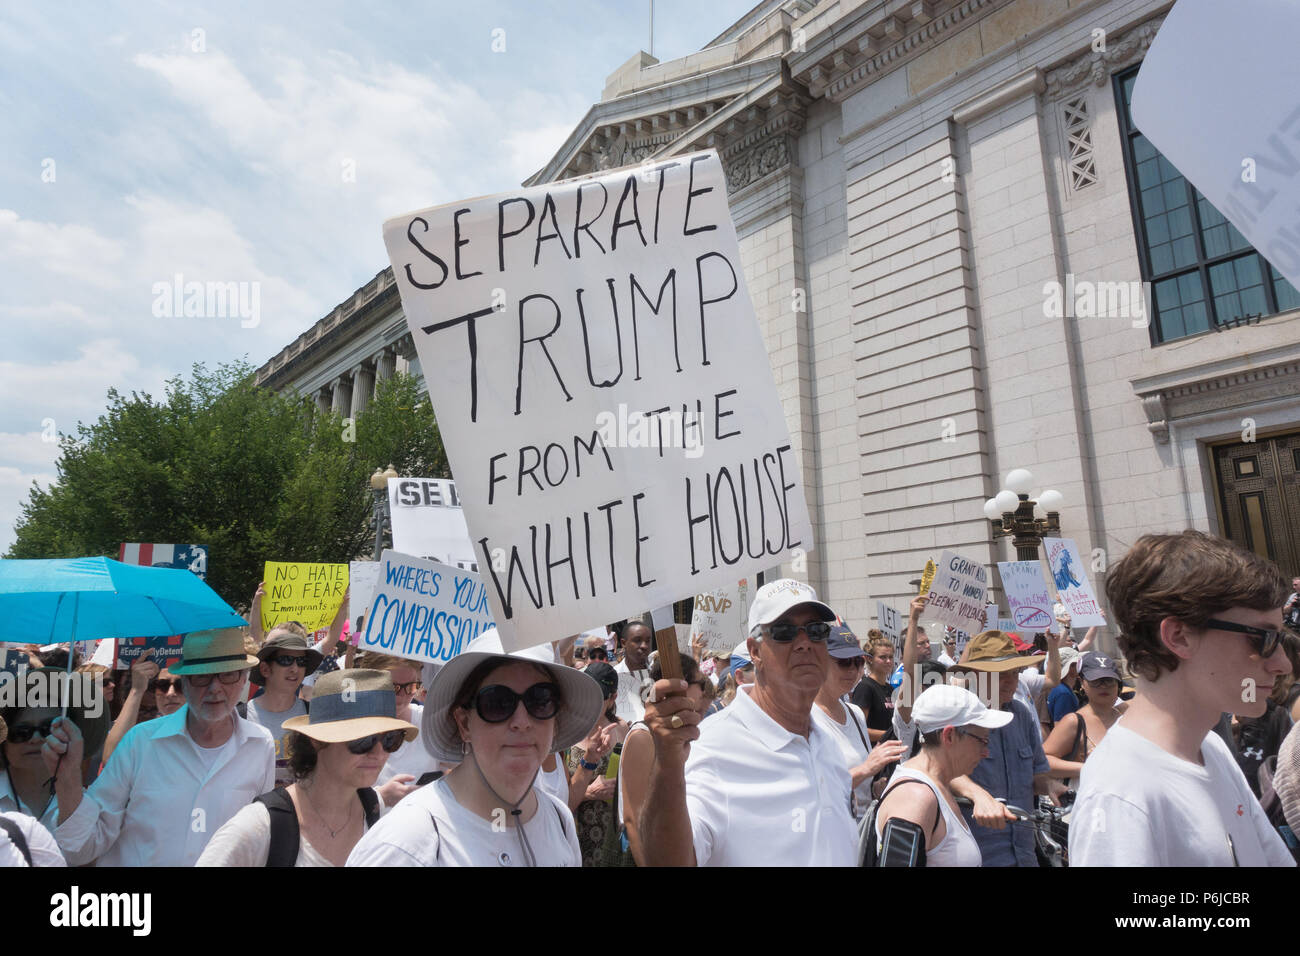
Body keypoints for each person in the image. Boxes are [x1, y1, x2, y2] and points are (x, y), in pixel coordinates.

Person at [1069, 530, 1295, 866]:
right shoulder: (1120, 794)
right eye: (1262, 638)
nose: (1283, 664)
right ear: (1179, 636)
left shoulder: (1211, 748)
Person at [638, 579, 857, 866]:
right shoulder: (712, 747)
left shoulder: (826, 740)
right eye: (784, 632)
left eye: (816, 631)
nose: (804, 643)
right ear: (754, 652)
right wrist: (667, 764)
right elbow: (667, 861)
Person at [346, 628, 603, 866]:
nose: (522, 722)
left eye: (541, 700)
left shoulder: (559, 820)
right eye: (498, 703)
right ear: (464, 723)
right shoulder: (407, 842)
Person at [41, 628, 276, 867]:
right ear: (185, 681)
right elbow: (84, 844)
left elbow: (259, 835)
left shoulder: (260, 744)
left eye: (227, 675)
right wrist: (67, 779)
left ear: (244, 678)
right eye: (201, 676)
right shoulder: (140, 742)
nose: (215, 688)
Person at [197, 669, 416, 866]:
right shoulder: (258, 827)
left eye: (390, 738)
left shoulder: (373, 809)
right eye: (363, 739)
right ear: (317, 740)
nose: (378, 752)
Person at [948, 630, 1066, 867]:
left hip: (1024, 851)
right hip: (977, 853)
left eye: (1014, 672)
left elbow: (1037, 772)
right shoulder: (956, 716)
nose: (1011, 681)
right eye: (1001, 674)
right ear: (976, 675)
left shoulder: (1021, 715)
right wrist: (977, 794)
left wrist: (1050, 785)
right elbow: (941, 771)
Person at [874, 685, 1011, 866]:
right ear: (949, 736)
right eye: (982, 740)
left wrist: (977, 794)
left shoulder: (935, 785)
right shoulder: (914, 799)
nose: (985, 752)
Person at [619, 652, 712, 865]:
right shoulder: (643, 737)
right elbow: (633, 820)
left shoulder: (686, 733)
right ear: (682, 686)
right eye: (701, 684)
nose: (703, 692)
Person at [812, 624, 906, 815]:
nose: (854, 670)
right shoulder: (806, 718)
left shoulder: (855, 714)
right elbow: (812, 788)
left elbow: (861, 789)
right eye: (844, 662)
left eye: (859, 662)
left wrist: (877, 786)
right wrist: (866, 769)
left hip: (862, 830)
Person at [1, 670, 110, 833]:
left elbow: (85, 857)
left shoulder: (89, 803)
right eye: (21, 732)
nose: (36, 739)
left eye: (49, 729)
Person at [564, 660, 629, 866]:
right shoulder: (565, 730)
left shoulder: (621, 729)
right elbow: (552, 795)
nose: (590, 702)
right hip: (571, 834)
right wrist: (588, 793)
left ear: (613, 698)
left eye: (598, 697)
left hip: (608, 838)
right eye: (587, 693)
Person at [359, 652, 438, 807]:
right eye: (392, 687)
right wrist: (380, 798)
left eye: (411, 687)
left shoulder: (429, 722)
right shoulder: (347, 726)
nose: (401, 697)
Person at [246, 628, 322, 787]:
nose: (295, 668)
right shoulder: (239, 717)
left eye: (301, 662)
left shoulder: (315, 716)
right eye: (286, 660)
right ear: (265, 669)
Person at [1041, 651, 1122, 786]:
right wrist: (1086, 768)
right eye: (1095, 681)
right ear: (1082, 682)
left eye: (1109, 680)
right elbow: (1044, 761)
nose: (1103, 686)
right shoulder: (1074, 721)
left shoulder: (1126, 719)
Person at [850, 632, 896, 743]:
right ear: (869, 659)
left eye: (890, 657)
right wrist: (892, 736)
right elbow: (859, 729)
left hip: (892, 753)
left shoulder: (890, 688)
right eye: (883, 657)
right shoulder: (865, 688)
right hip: (874, 753)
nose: (888, 661)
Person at [612, 620, 652, 722]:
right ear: (624, 643)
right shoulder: (613, 676)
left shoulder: (658, 675)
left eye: (648, 641)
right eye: (637, 640)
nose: (644, 646)